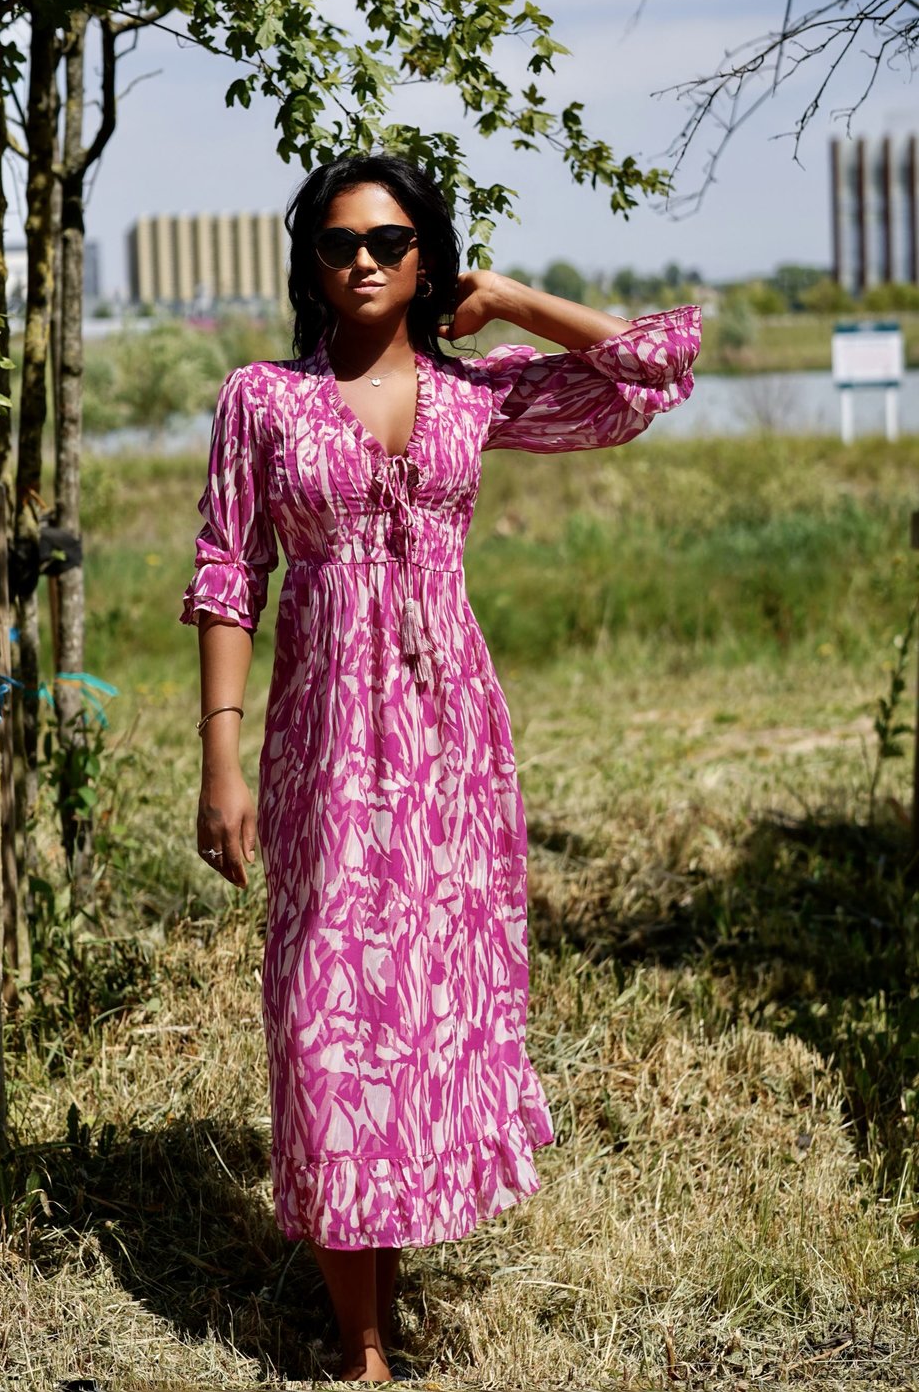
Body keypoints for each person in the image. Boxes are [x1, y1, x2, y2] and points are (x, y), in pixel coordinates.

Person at [180, 152, 701, 1384]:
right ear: (308, 261)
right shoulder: (261, 399)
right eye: (338, 241)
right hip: (319, 738)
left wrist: (510, 296)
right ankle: (360, 1347)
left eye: (391, 241)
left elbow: (654, 369)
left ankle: (380, 1311)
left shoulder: (476, 396)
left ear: (427, 258)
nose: (362, 259)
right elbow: (223, 572)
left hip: (450, 741)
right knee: (325, 1012)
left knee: (419, 1013)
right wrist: (218, 756)